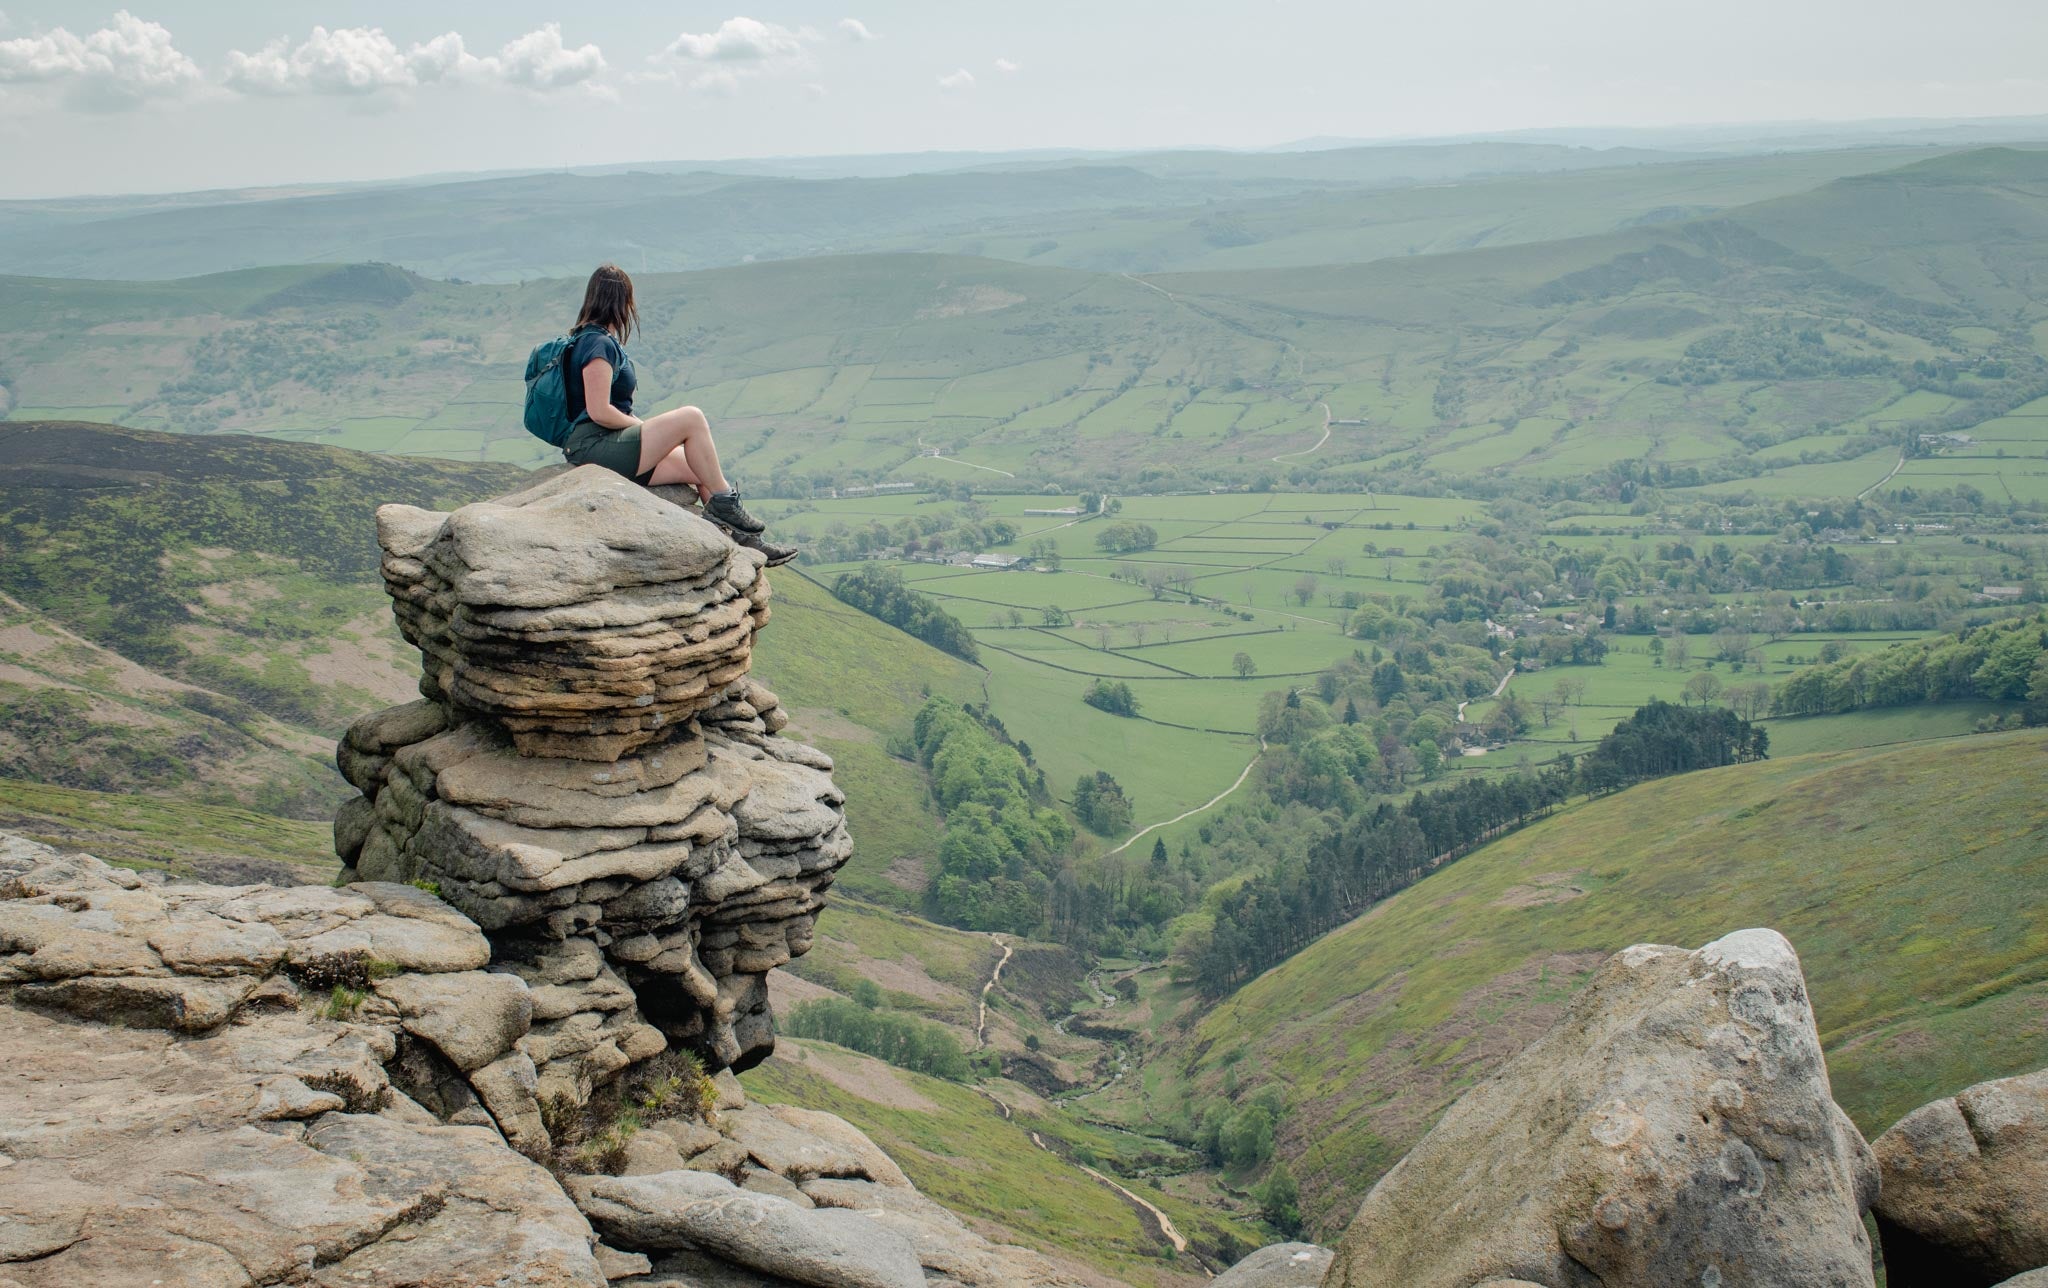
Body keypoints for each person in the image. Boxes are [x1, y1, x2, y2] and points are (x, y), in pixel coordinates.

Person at [560, 263, 765, 535]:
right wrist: (642, 429)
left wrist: (649, 435)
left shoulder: (588, 339)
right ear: (622, 302)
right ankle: (728, 506)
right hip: (597, 446)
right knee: (692, 417)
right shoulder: (597, 344)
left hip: (603, 444)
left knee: (702, 466)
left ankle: (742, 538)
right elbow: (599, 411)